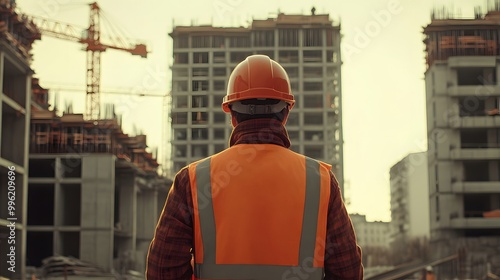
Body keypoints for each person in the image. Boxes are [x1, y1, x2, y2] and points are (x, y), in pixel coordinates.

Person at [146, 54, 363, 280]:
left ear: (232, 114)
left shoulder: (193, 179)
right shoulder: (321, 182)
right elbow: (347, 272)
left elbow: (162, 271)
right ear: (286, 113)